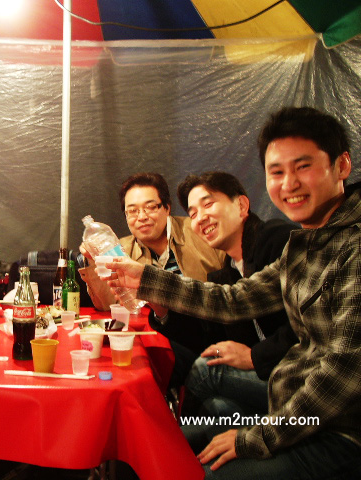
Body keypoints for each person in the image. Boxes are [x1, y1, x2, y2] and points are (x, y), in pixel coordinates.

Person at [107, 107, 361, 479]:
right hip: (292, 403)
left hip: (337, 432)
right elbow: (233, 300)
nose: (289, 183)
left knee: (198, 469)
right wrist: (144, 278)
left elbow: (344, 375)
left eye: (303, 166)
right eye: (277, 172)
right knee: (159, 444)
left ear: (342, 166)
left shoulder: (347, 246)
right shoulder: (303, 245)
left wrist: (254, 437)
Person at [79, 172, 225, 388]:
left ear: (166, 207)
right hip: (160, 335)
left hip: (206, 336)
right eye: (132, 211)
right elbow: (107, 305)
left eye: (150, 207)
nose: (142, 217)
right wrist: (94, 264)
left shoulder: (199, 233)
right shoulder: (121, 249)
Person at [175, 171, 297, 428]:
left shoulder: (278, 239)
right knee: (219, 408)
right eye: (192, 214)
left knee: (208, 370)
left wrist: (255, 355)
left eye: (208, 204)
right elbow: (207, 339)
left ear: (241, 205)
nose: (200, 217)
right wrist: (162, 311)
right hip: (265, 376)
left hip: (301, 378)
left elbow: (307, 325)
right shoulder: (226, 274)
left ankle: (170, 440)